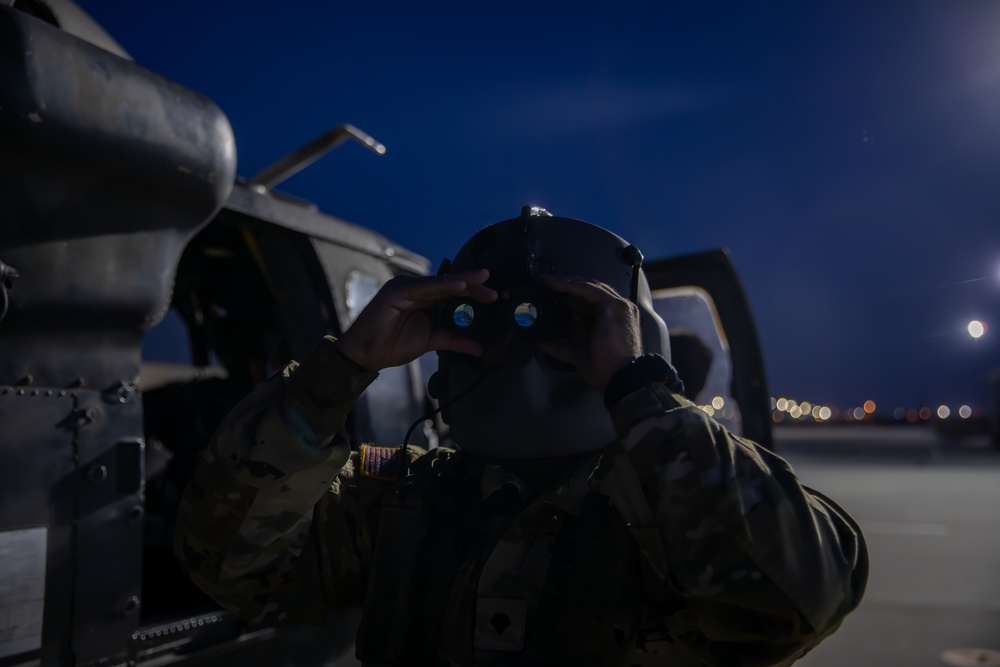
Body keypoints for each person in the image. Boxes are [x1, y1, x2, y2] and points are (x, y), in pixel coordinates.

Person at [174, 208, 868, 666]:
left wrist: (635, 389)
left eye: (570, 324)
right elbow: (234, 566)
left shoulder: (676, 504)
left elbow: (802, 596)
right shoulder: (402, 492)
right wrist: (340, 369)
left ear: (633, 339)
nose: (532, 348)